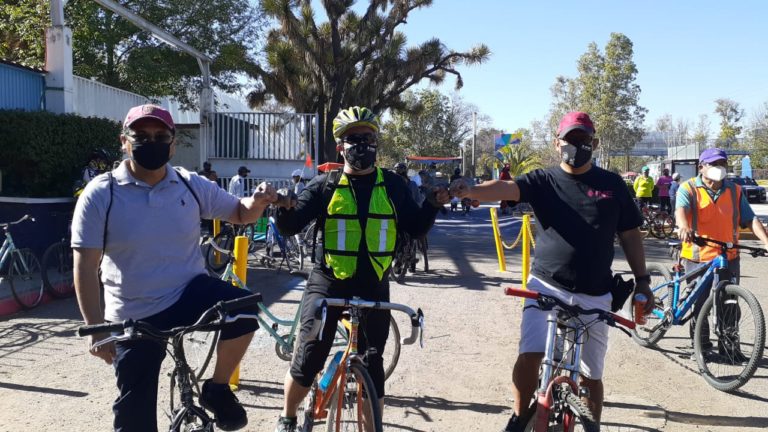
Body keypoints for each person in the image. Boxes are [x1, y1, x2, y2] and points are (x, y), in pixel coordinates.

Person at [71, 104, 277, 432]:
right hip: (133, 312)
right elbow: (84, 266)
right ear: (124, 141)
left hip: (187, 292)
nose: (150, 142)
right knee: (134, 421)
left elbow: (239, 212)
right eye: (141, 136)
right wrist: (96, 328)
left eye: (159, 136)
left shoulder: (189, 184)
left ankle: (218, 388)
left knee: (245, 309)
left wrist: (259, 201)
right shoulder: (102, 193)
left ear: (172, 142)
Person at [450, 111, 654, 430]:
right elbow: (507, 189)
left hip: (596, 293)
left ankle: (591, 425)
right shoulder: (543, 180)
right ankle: (520, 416)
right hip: (546, 287)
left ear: (594, 143)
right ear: (557, 143)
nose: (577, 145)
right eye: (570, 139)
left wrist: (643, 281)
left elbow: (629, 233)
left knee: (591, 375)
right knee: (531, 354)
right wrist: (471, 191)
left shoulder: (612, 185)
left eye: (583, 140)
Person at [271, 106, 449, 432]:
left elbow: (417, 226)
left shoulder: (393, 185)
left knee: (372, 363)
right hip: (329, 282)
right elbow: (292, 224)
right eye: (354, 139)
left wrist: (433, 204)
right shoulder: (325, 186)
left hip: (374, 284)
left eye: (368, 138)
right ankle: (288, 416)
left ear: (377, 142)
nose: (362, 145)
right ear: (341, 146)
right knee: (310, 356)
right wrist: (283, 207)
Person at [675, 148, 768, 355]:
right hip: (699, 257)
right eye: (714, 164)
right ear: (701, 167)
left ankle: (729, 347)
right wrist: (683, 226)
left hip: (728, 256)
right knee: (699, 304)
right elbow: (680, 210)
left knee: (729, 302)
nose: (719, 168)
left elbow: (750, 219)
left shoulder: (734, 191)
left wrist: (765, 241)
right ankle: (701, 345)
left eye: (723, 164)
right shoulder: (688, 188)